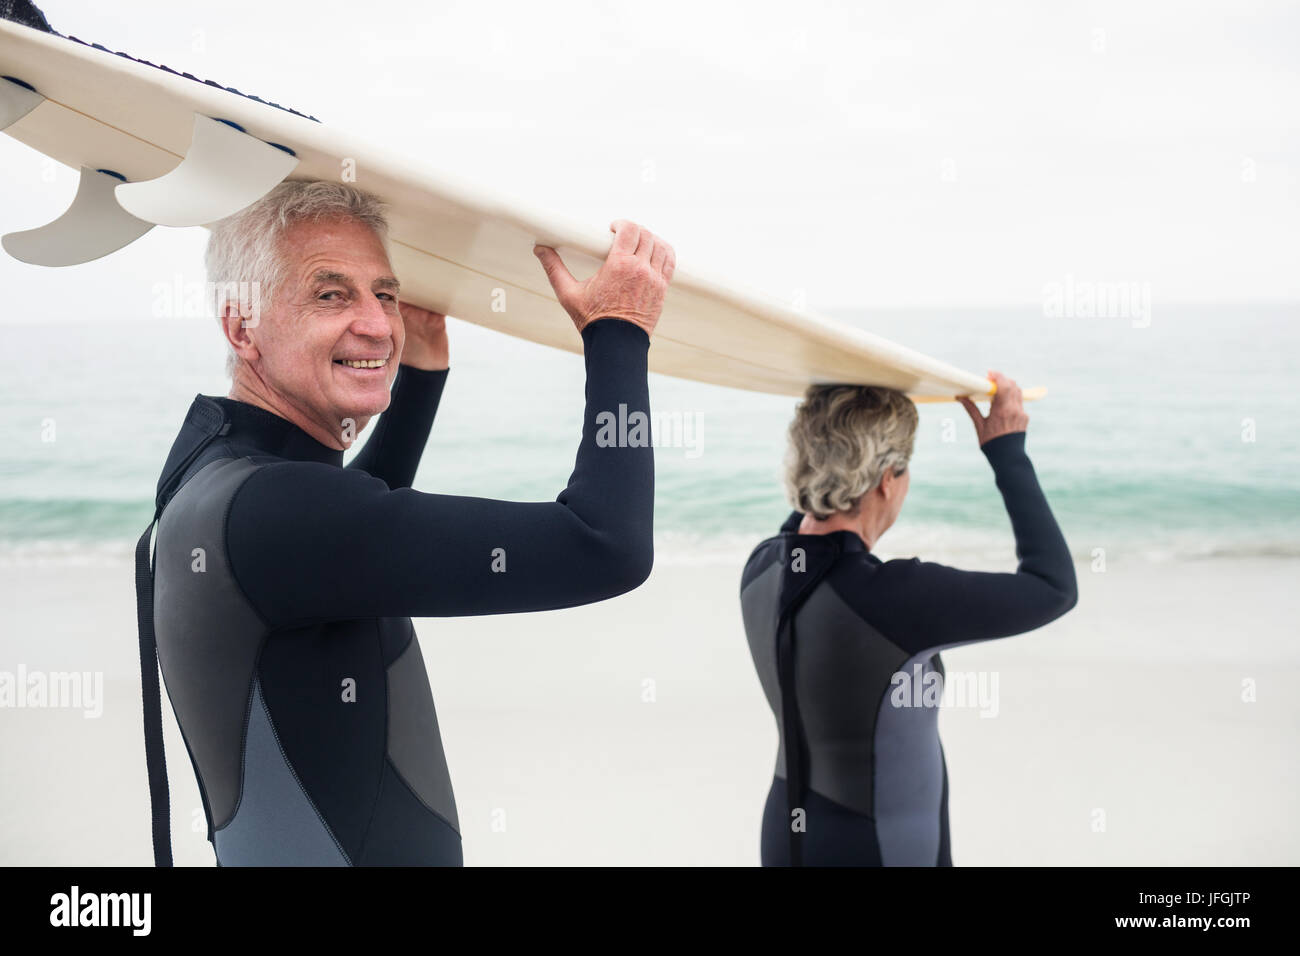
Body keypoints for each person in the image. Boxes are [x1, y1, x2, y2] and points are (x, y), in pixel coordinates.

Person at [136, 180, 675, 865]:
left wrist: (419, 372)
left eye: (383, 294)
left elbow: (348, 526)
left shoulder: (211, 476)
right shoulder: (276, 514)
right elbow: (606, 546)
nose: (377, 324)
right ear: (242, 326)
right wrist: (619, 333)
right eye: (331, 294)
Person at [740, 372, 1077, 866]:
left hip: (786, 841)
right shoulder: (896, 598)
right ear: (887, 480)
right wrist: (1007, 450)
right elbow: (1054, 588)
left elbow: (805, 532)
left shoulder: (762, 566)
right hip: (882, 848)